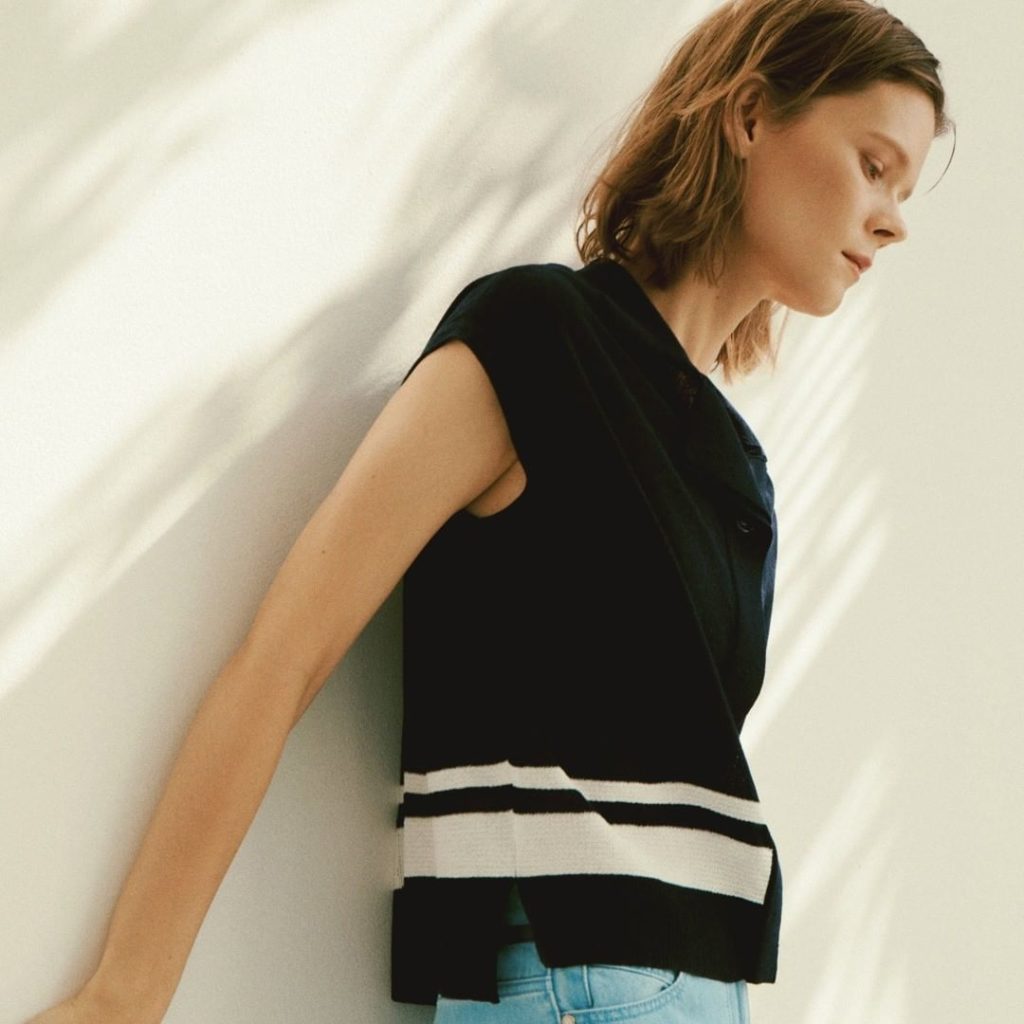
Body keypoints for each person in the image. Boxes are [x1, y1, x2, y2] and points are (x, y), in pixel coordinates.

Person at [26, 1, 952, 1022]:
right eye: (873, 166)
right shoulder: (538, 340)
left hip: (703, 989)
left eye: (904, 191)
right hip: (576, 984)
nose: (893, 220)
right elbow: (284, 653)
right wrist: (126, 991)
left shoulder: (737, 469)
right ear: (748, 116)